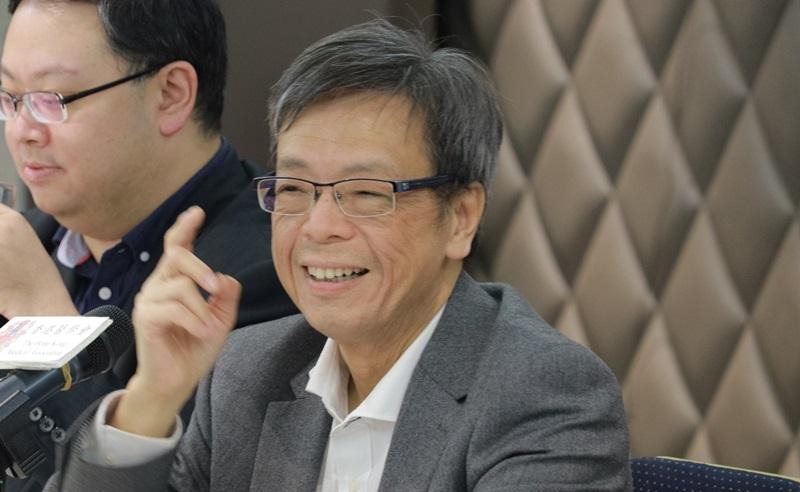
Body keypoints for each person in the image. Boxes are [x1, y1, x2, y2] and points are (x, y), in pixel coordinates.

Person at [47, 19, 632, 491]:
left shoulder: (543, 392)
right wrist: (153, 397)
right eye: (294, 189)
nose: (319, 227)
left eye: (366, 193)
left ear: (460, 217)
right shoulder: (248, 371)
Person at [0, 0, 295, 489]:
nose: (23, 131)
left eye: (53, 99)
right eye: (10, 98)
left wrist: (43, 321)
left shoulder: (270, 269)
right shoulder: (27, 247)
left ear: (171, 94)